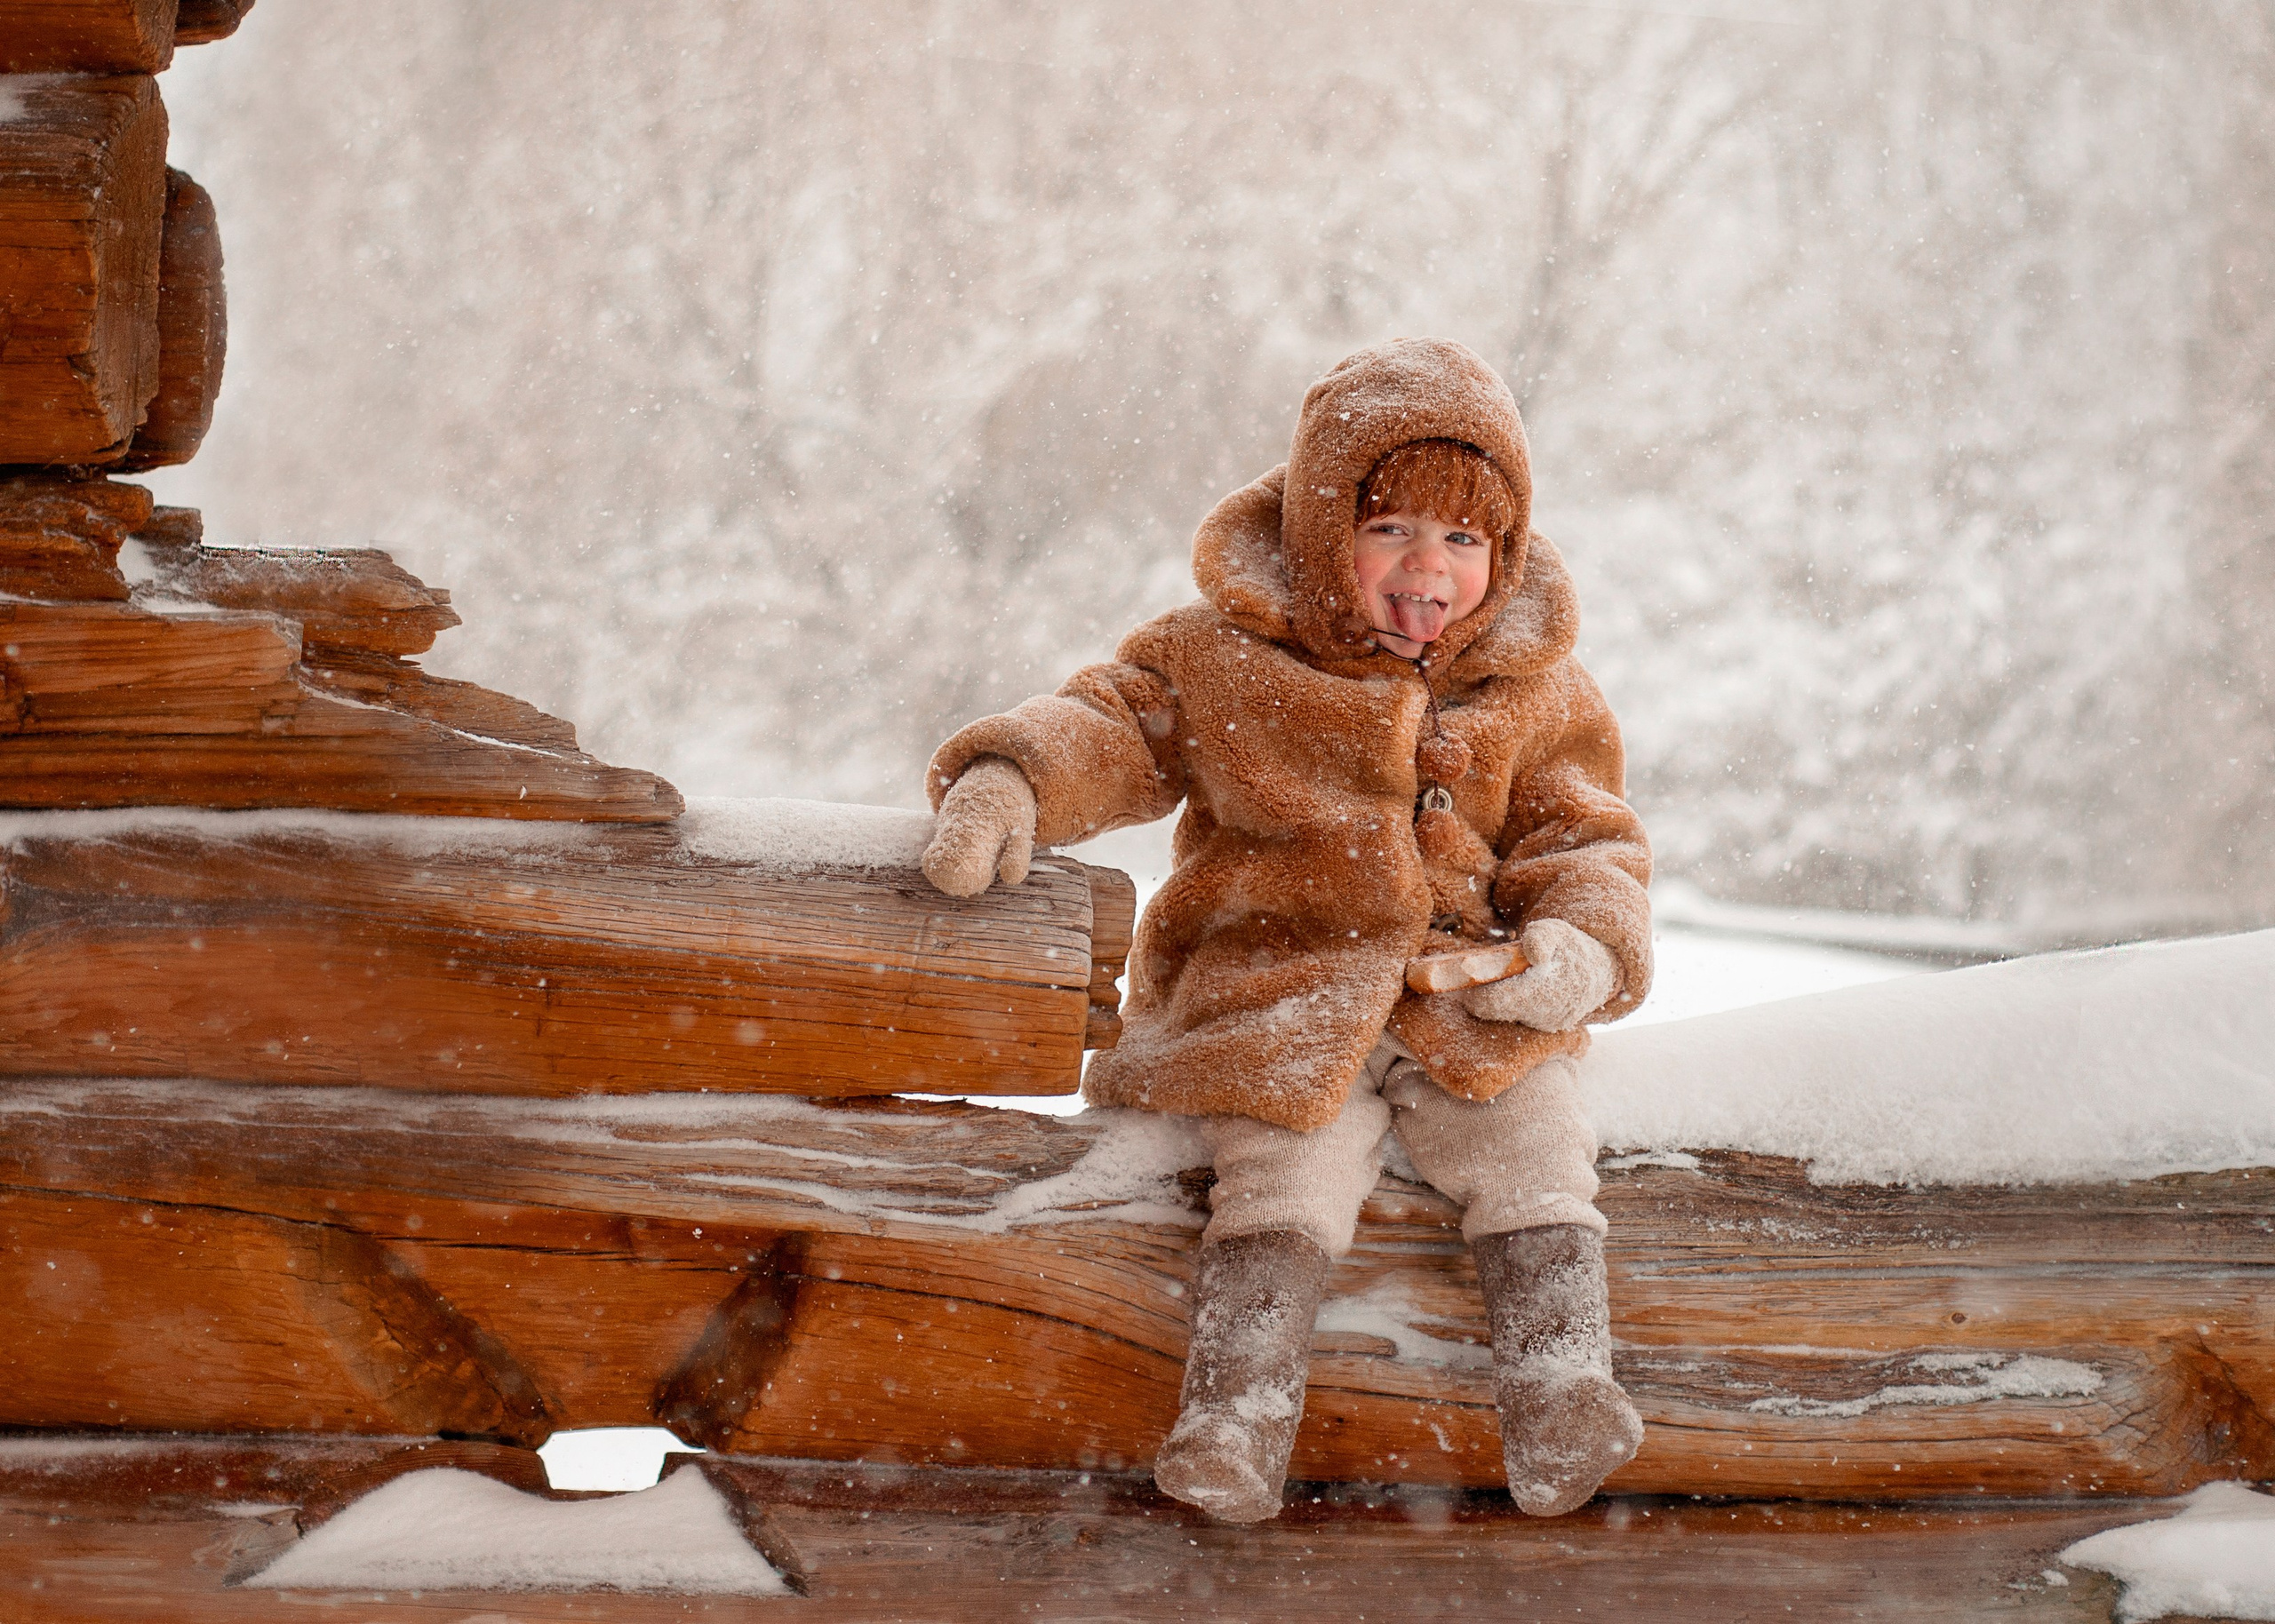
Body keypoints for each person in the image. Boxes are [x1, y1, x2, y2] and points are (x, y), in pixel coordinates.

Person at [920, 337, 1652, 1523]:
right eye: (1392, 531)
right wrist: (1014, 777)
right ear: (1324, 531)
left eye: (1465, 541)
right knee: (1281, 1177)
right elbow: (1114, 726)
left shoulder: (1535, 686)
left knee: (1534, 1143)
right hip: (1277, 989)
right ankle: (1236, 1413)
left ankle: (1563, 1386)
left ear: (1504, 553)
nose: (1429, 570)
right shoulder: (1224, 654)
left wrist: (1582, 946)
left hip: (1468, 996)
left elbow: (1588, 839)